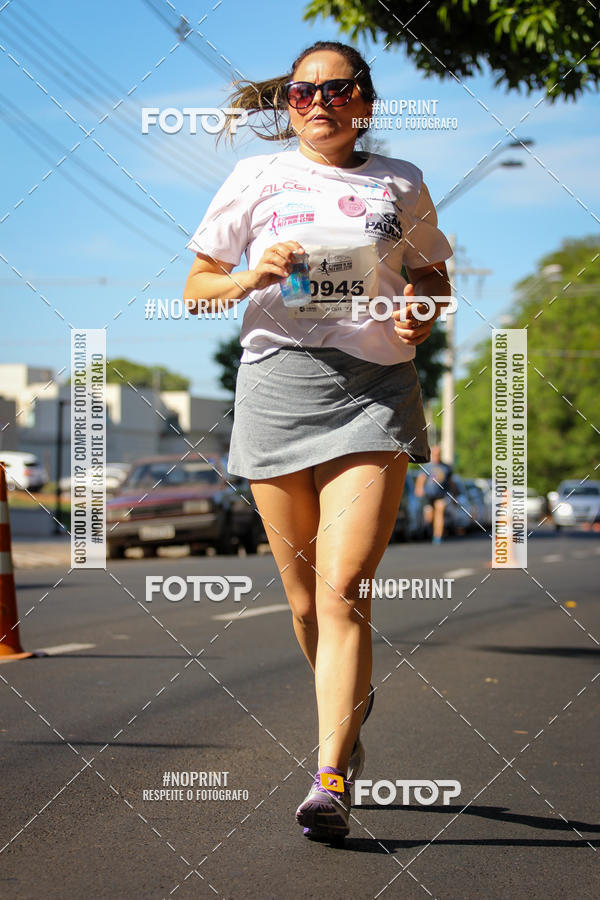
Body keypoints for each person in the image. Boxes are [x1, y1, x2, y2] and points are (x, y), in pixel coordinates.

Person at [184, 40, 453, 842]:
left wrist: (422, 312)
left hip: (375, 390)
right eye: (303, 93)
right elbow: (196, 289)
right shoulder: (255, 181)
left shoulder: (400, 182)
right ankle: (350, 721)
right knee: (304, 600)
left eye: (337, 90)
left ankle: (329, 773)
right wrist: (250, 277)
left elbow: (434, 275)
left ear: (364, 102)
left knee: (343, 589)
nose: (319, 104)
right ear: (289, 104)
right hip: (277, 385)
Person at [414, 444, 456, 543]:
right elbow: (421, 478)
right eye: (435, 454)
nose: (437, 456)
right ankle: (429, 530)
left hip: (441, 494)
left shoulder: (446, 467)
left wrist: (454, 493)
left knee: (439, 512)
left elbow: (451, 482)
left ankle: (437, 536)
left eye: (438, 454)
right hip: (429, 495)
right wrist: (419, 488)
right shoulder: (427, 466)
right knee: (429, 517)